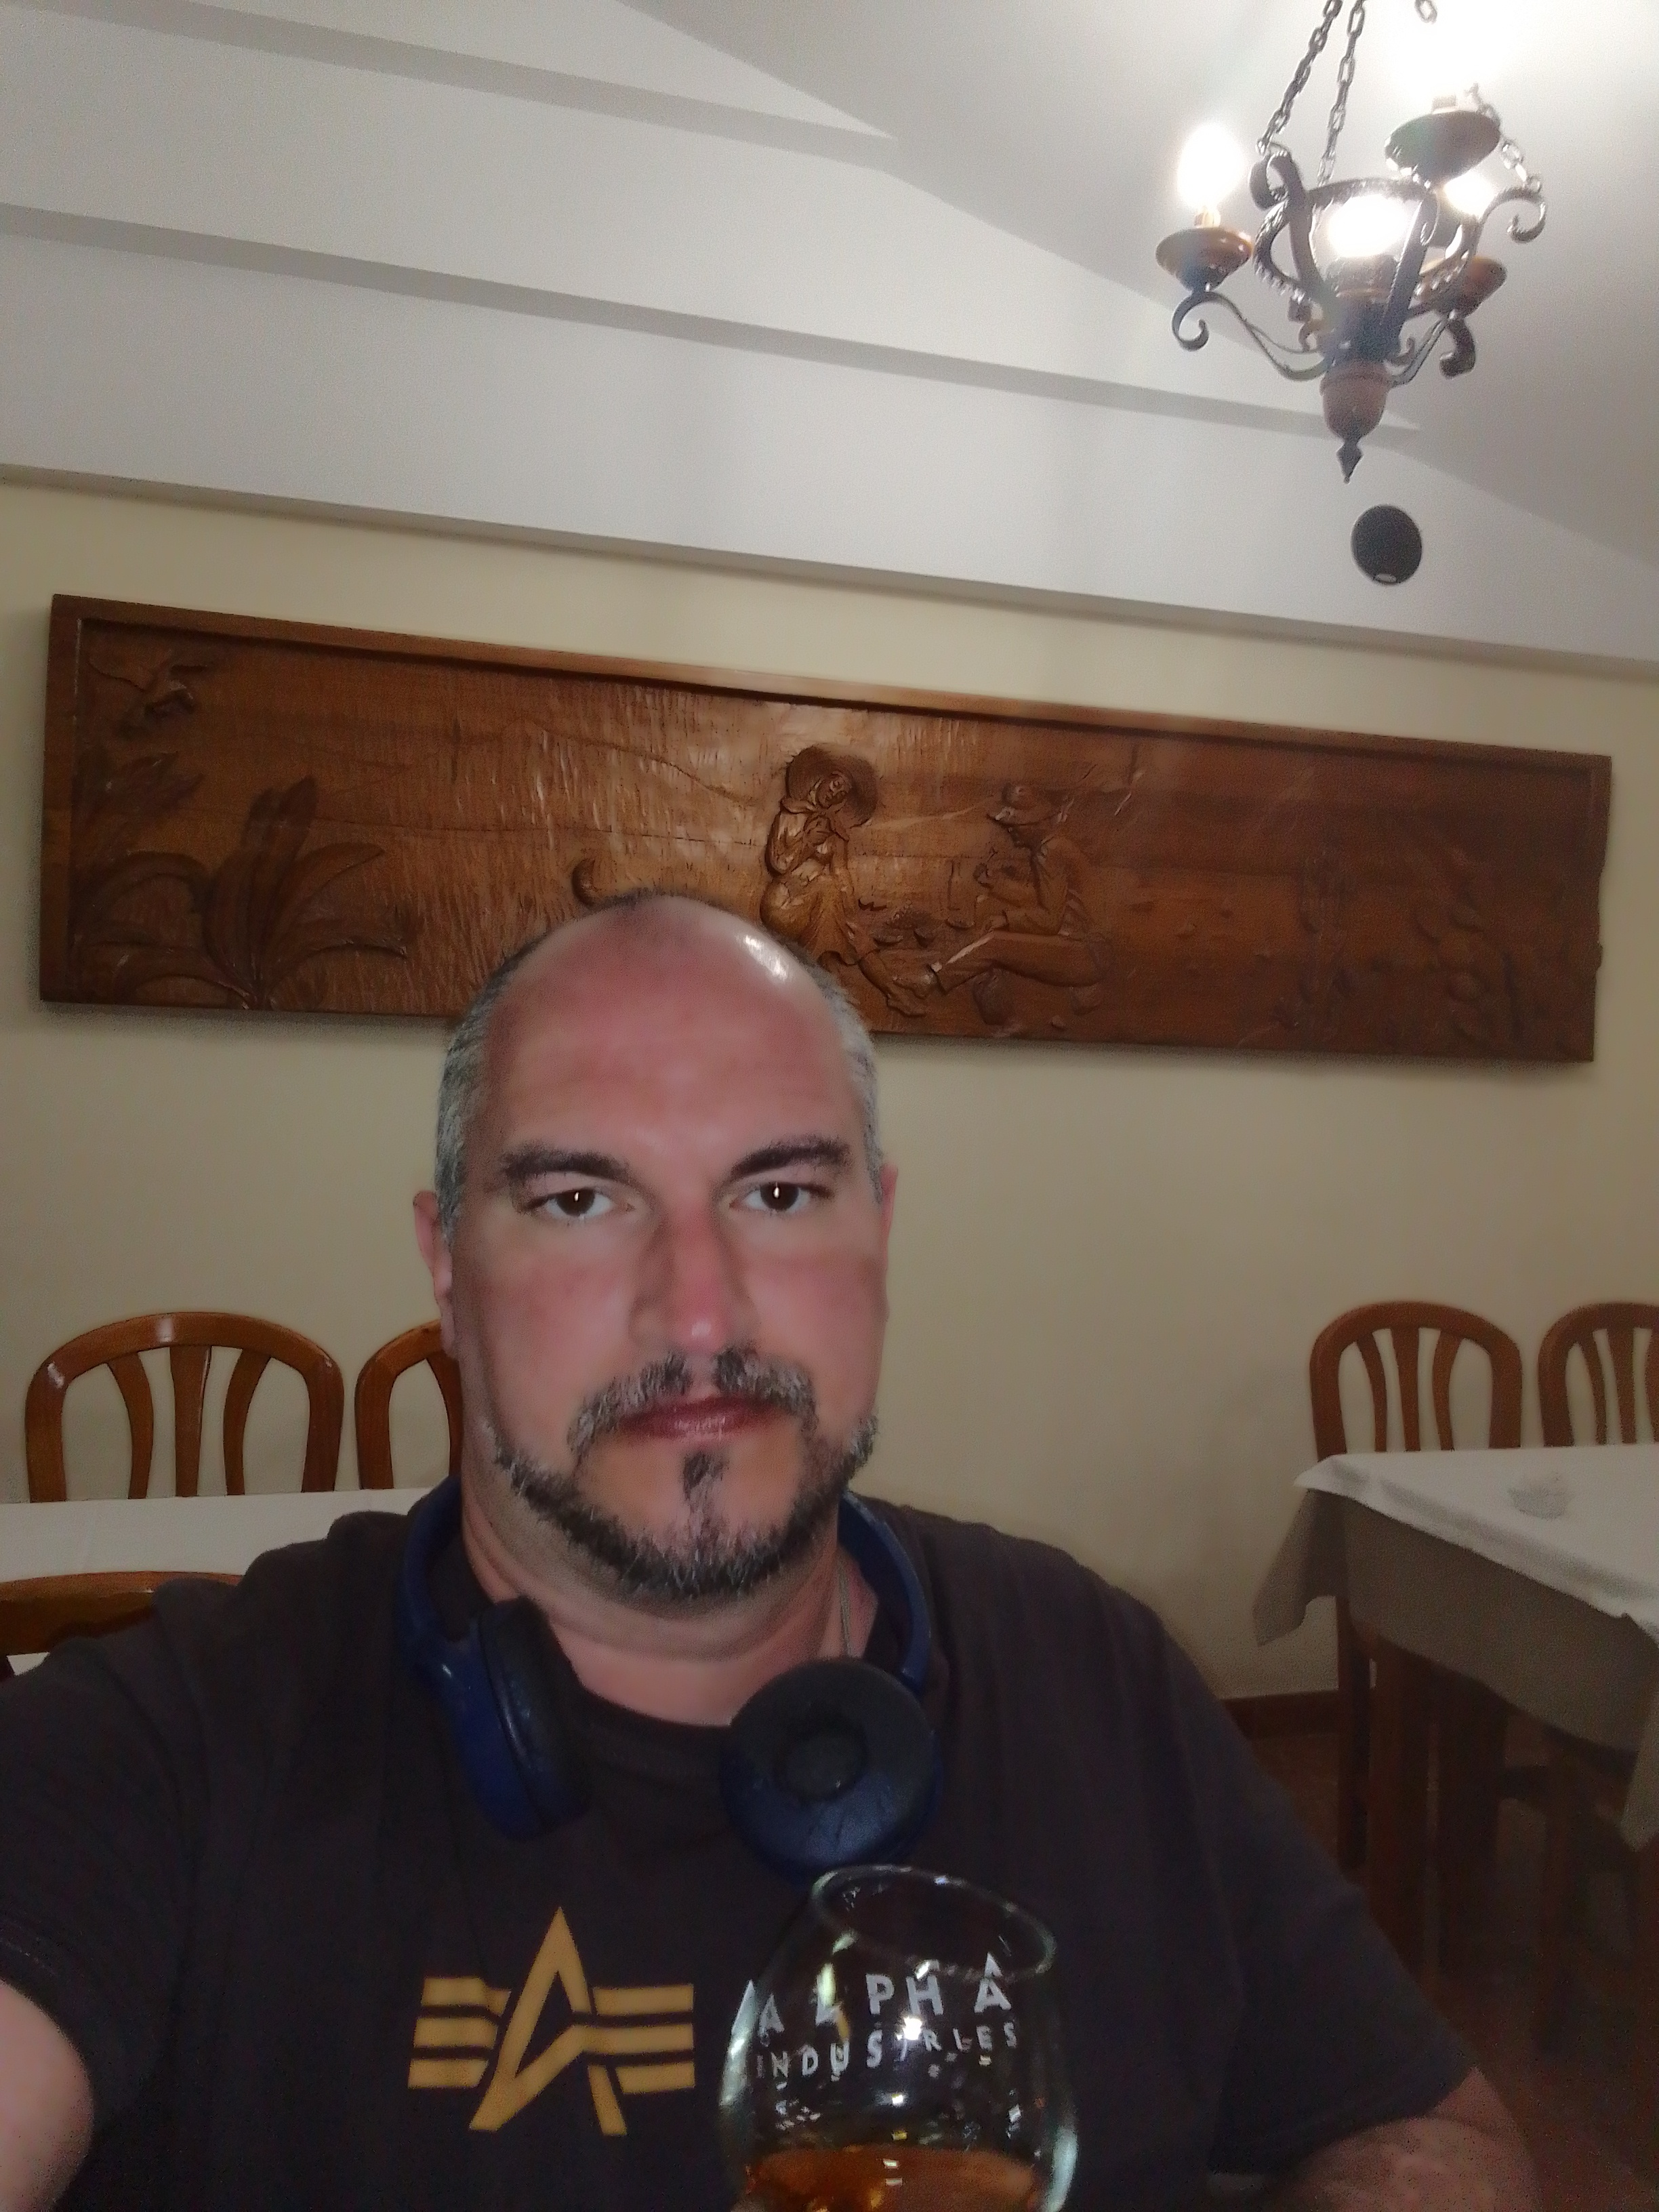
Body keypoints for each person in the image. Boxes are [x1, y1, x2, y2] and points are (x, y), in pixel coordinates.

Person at [0, 893, 1536, 2212]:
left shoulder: (1096, 1671)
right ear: (447, 1272)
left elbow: (1436, 2138)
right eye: (580, 1199)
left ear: (881, 1233)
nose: (699, 1311)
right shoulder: (177, 1742)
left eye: (781, 1192)